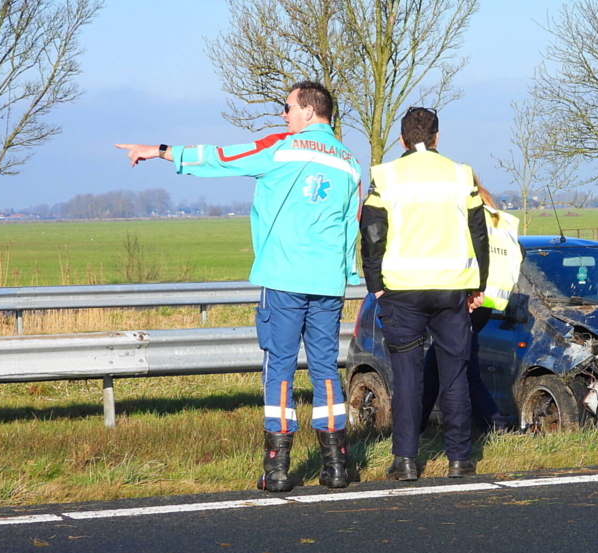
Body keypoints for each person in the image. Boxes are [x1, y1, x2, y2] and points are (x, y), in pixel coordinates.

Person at [116, 81, 361, 493]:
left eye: (287, 107)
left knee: (279, 369)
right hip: (327, 282)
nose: (283, 115)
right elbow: (350, 229)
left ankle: (278, 468)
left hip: (283, 277)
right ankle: (336, 466)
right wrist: (348, 276)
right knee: (325, 372)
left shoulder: (282, 147)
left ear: (307, 111)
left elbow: (220, 158)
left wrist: (159, 151)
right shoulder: (351, 162)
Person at [360, 106, 489, 481]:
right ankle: (460, 459)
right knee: (454, 375)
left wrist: (375, 286)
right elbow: (479, 232)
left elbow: (371, 234)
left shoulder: (385, 176)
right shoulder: (460, 174)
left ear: (401, 139)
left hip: (401, 291)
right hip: (451, 288)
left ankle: (404, 461)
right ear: (437, 137)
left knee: (407, 378)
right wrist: (476, 284)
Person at [420, 179, 522, 433]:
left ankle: (494, 426)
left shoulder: (462, 215)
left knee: (461, 368)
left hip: (466, 298)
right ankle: (417, 427)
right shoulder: (494, 216)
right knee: (438, 366)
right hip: (485, 301)